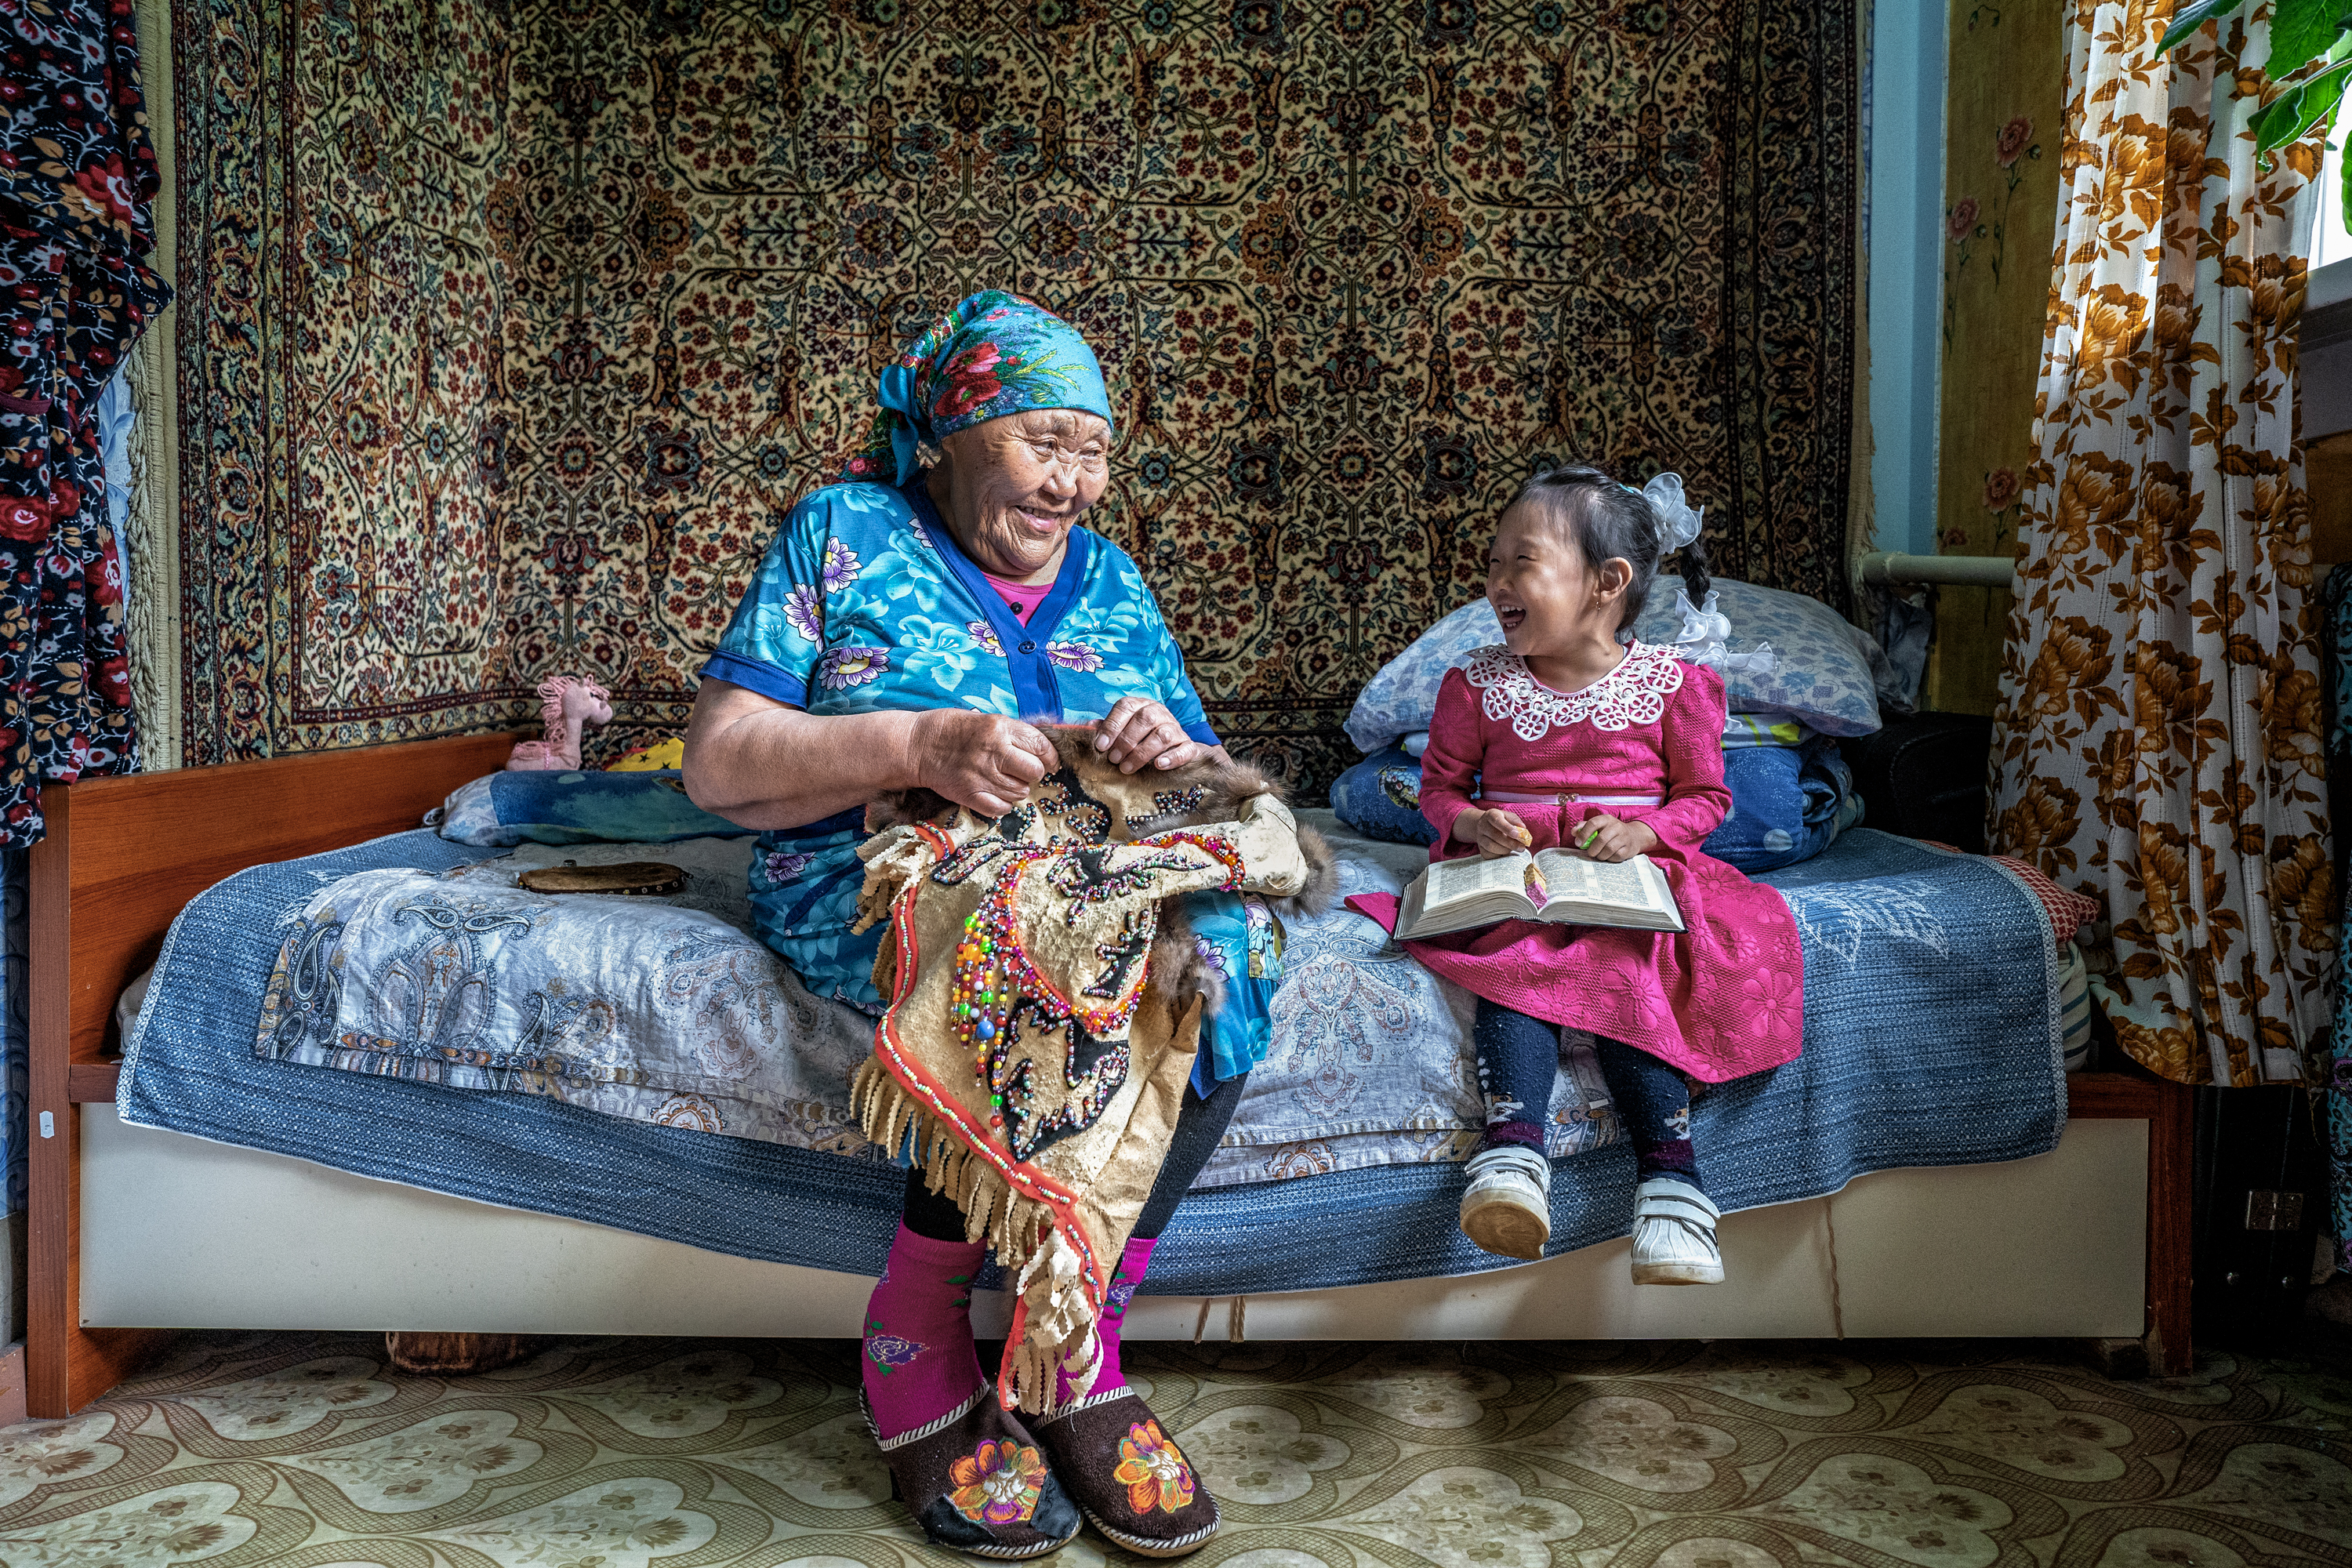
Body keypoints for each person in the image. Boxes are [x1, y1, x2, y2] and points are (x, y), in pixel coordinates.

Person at [682, 291, 1254, 1559]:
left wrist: (1176, 756)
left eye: (1095, 449)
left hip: (1084, 869)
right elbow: (717, 768)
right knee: (1022, 946)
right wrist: (920, 744)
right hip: (876, 875)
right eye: (1044, 439)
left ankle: (1075, 1337)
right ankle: (915, 1329)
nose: (1075, 483)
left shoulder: (1114, 582)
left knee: (1216, 960)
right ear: (951, 433)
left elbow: (1209, 778)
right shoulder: (842, 533)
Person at [1387, 465, 1805, 1281]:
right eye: (1495, 559)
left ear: (1607, 583)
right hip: (1521, 875)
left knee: (1630, 967)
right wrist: (1472, 823)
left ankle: (1674, 1183)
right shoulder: (1475, 685)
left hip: (1626, 880)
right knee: (1514, 963)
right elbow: (1438, 789)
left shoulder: (1674, 686)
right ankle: (1511, 1158)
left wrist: (1644, 831)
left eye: (1524, 561)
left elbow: (1707, 799)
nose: (1497, 580)